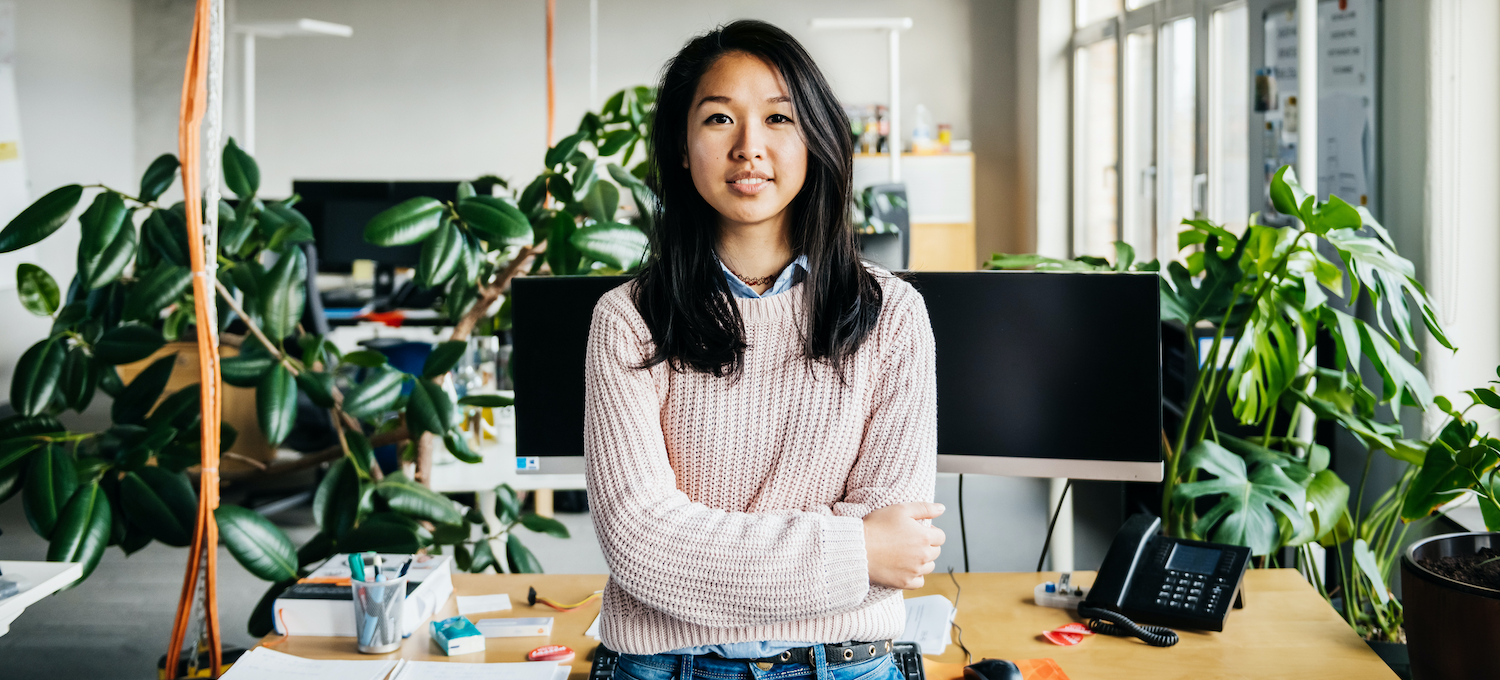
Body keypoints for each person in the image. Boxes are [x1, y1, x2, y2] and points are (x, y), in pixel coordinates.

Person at [583, 19, 943, 680]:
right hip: (668, 665)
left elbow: (901, 542)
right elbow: (640, 544)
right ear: (682, 147)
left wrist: (708, 557)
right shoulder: (629, 320)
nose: (749, 147)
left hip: (845, 666)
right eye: (719, 118)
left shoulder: (891, 316)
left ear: (817, 140)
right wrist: (855, 550)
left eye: (779, 118)